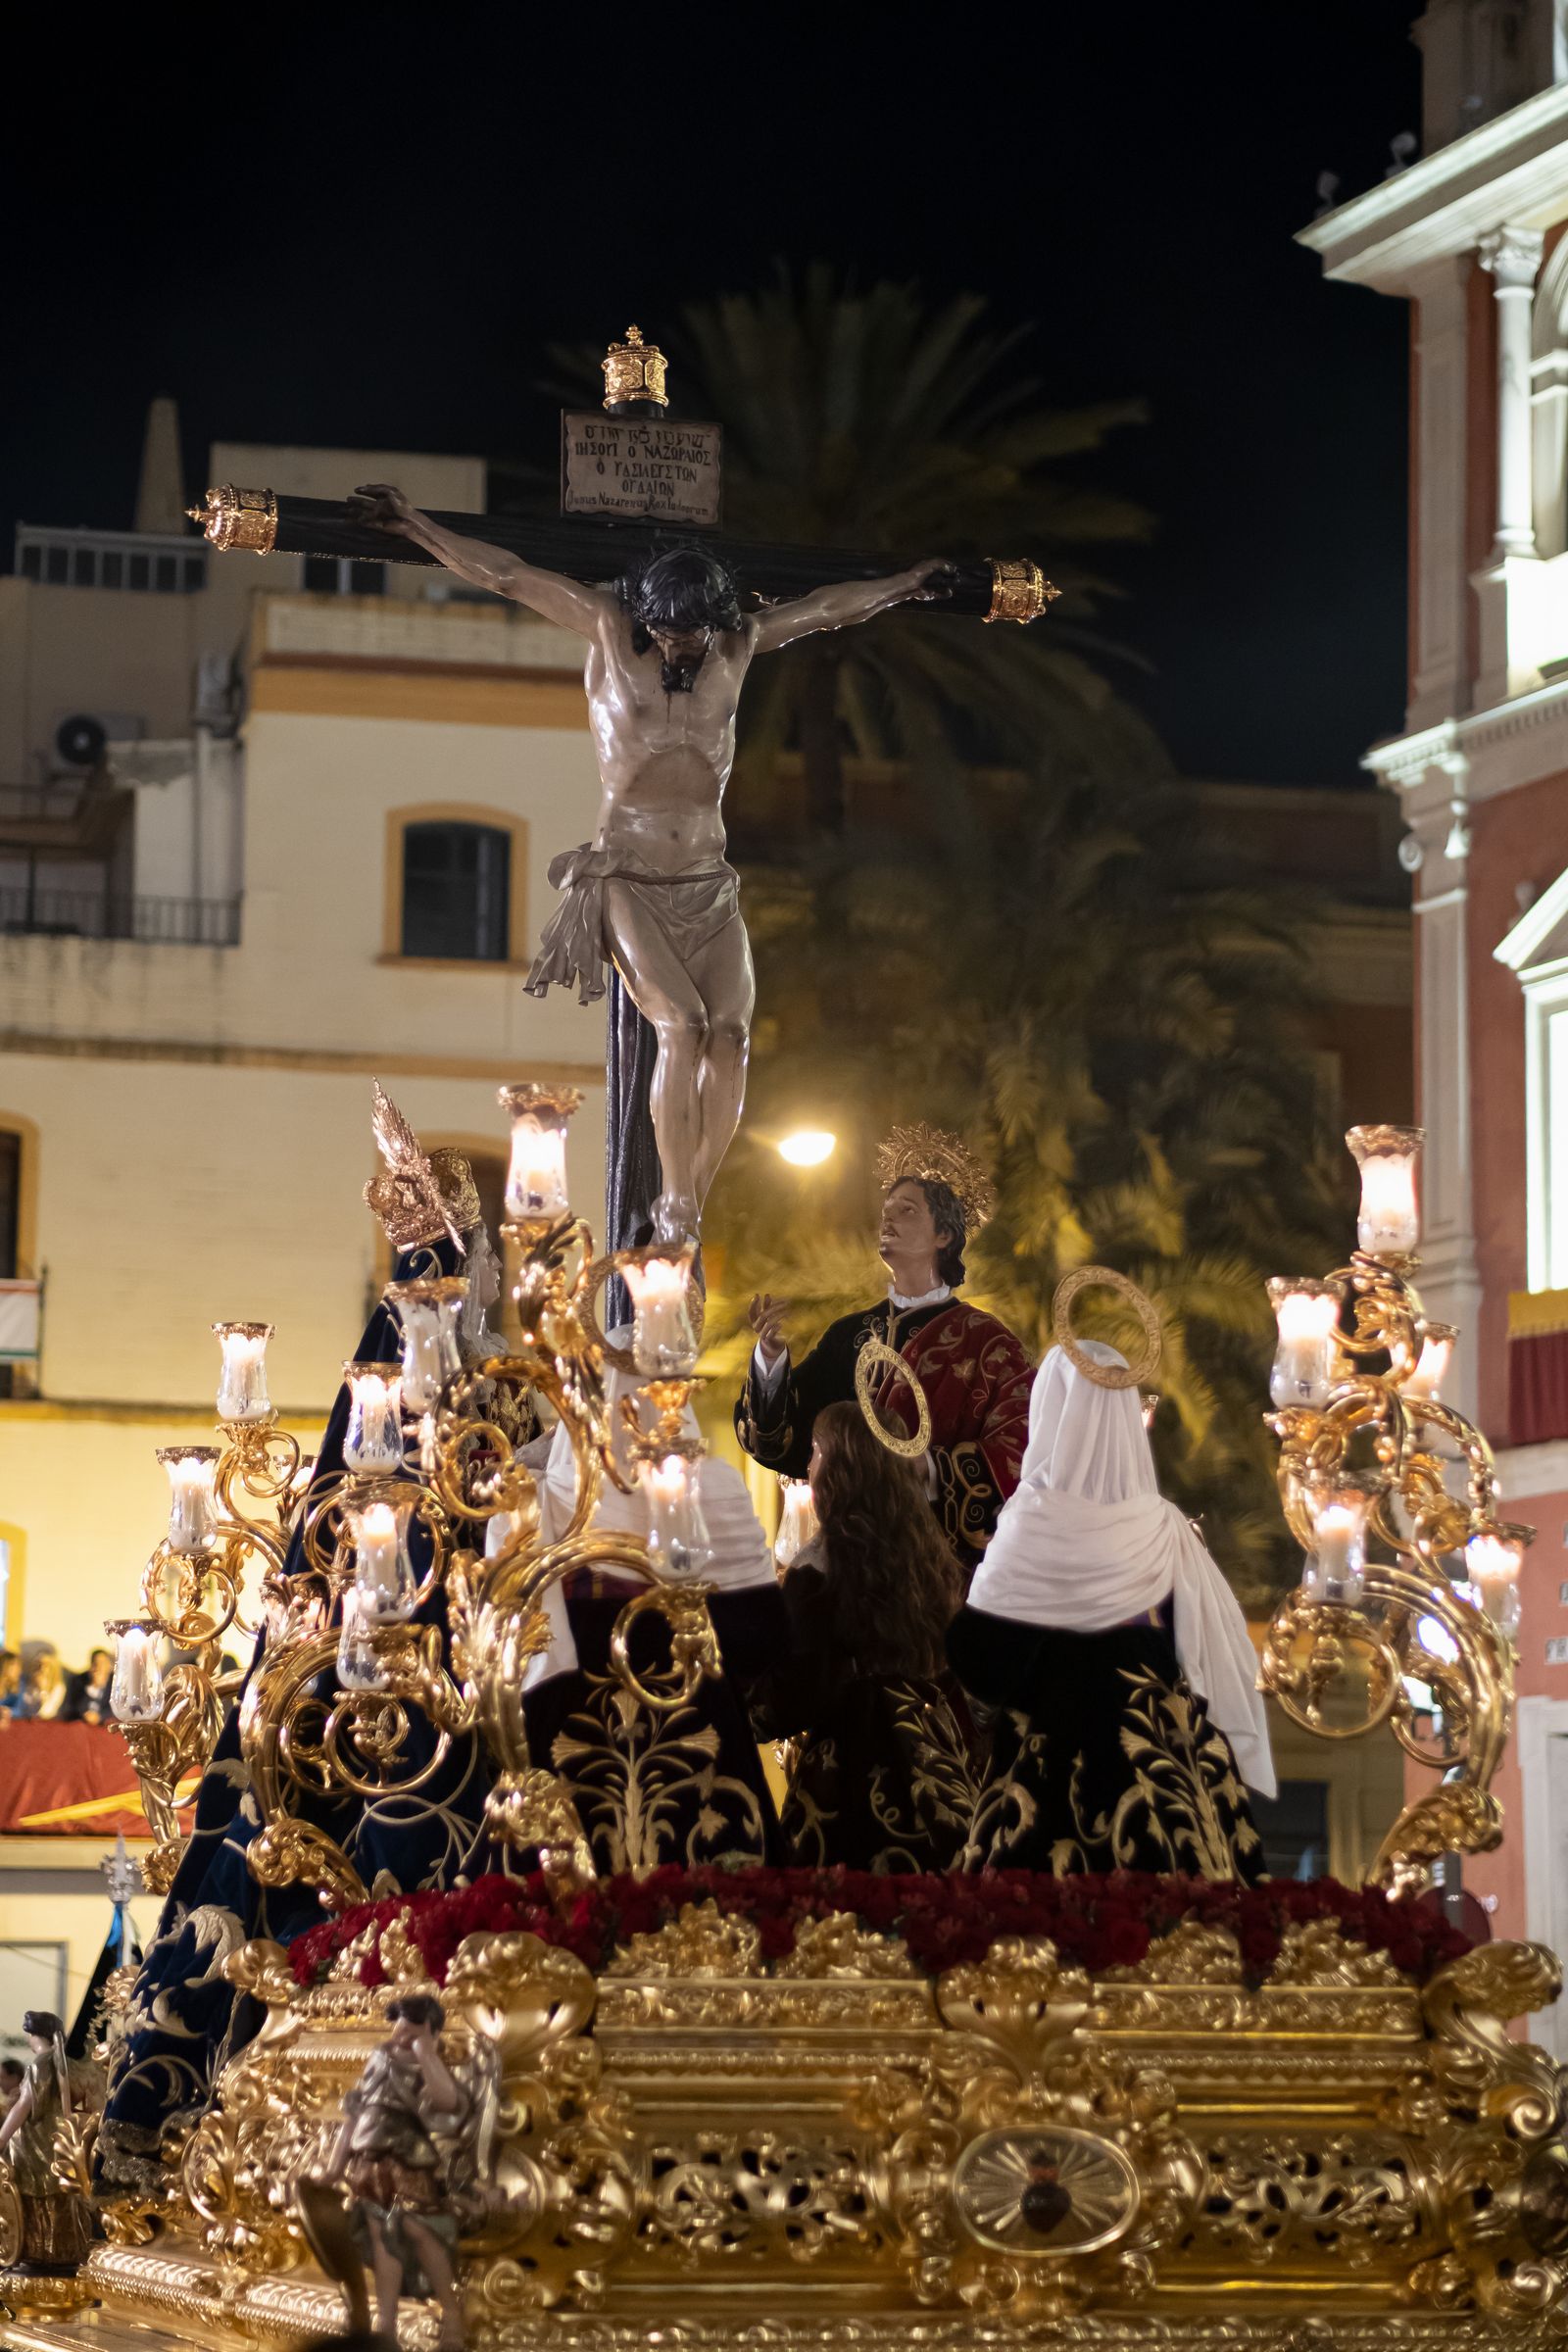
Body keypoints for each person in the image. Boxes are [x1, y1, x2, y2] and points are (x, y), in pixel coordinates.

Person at [350, 483, 954, 1243]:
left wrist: (905, 586)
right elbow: (505, 575)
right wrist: (413, 521)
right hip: (627, 878)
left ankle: (686, 1206)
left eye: (693, 636)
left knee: (731, 1037)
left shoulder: (735, 648)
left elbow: (829, 608)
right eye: (667, 634)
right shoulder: (607, 629)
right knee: (684, 1023)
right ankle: (675, 1201)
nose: (679, 648)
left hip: (708, 882)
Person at [949, 1338, 1274, 1879]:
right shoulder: (1165, 1524)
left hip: (1048, 1781)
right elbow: (1203, 1651)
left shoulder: (1034, 1521)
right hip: (1165, 1773)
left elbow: (984, 1662)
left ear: (1050, 1410)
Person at [514, 1337, 786, 1873]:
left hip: (571, 1730)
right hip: (697, 1724)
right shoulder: (711, 1486)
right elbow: (763, 1637)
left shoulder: (544, 1496)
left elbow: (516, 1651)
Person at [736, 1124, 1033, 1572]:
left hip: (940, 1567)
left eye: (907, 1210)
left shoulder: (987, 1344)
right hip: (849, 1560)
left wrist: (929, 1470)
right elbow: (788, 1441)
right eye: (886, 1209)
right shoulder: (847, 1335)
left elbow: (1021, 1445)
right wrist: (771, 1359)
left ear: (944, 1236)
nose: (887, 1220)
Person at [748, 1400, 977, 1871]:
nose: (809, 1465)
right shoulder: (926, 1553)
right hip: (934, 1752)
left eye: (815, 1451)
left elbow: (799, 1688)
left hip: (849, 1771)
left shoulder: (818, 1568)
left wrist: (747, 1705)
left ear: (842, 1467)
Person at [306, 1993, 471, 2352]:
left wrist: (426, 2053)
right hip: (369, 2159)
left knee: (418, 2229)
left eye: (409, 2035)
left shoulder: (428, 2061)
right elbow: (355, 2112)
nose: (399, 2040)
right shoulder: (381, 2055)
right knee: (382, 2238)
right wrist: (335, 2167)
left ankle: (453, 2317)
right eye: (397, 2032)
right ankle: (387, 2326)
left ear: (429, 2032)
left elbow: (447, 2101)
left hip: (407, 2157)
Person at [0, 2011, 93, 2273]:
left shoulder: (39, 2063)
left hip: (35, 2143)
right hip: (57, 2140)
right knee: (57, 2195)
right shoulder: (61, 2062)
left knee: (35, 2197)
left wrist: (2, 2137)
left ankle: (39, 2252)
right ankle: (62, 2251)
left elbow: (23, 2106)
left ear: (33, 2035)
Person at [62, 1648, 113, 1726]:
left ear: (108, 1665)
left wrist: (100, 1716)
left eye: (102, 1663)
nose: (98, 1668)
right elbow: (72, 1707)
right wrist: (93, 1686)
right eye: (95, 1663)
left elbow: (118, 1709)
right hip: (82, 1726)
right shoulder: (78, 1681)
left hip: (105, 1728)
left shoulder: (116, 1682)